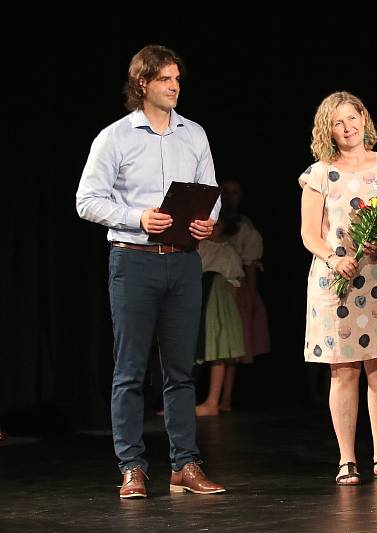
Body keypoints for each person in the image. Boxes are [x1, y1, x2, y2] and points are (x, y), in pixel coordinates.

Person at [75, 44, 225, 498]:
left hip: (181, 260)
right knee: (130, 370)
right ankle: (132, 467)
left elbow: (211, 195)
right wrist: (136, 217)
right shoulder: (115, 137)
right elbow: (87, 201)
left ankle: (185, 464)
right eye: (165, 79)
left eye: (178, 79)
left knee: (181, 370)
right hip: (134, 260)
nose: (175, 86)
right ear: (143, 84)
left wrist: (207, 219)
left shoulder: (194, 134)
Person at [299, 91, 377, 485]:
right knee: (343, 372)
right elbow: (309, 234)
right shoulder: (319, 173)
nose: (348, 128)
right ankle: (347, 459)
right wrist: (334, 259)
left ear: (364, 119)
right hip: (338, 282)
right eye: (338, 122)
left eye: (353, 118)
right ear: (327, 130)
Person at [217, 179, 272, 412]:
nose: (230, 197)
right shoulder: (209, 221)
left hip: (234, 289)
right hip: (209, 287)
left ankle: (225, 399)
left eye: (235, 193)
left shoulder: (244, 226)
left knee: (232, 346)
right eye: (225, 193)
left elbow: (250, 265)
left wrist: (250, 296)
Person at [194, 214, 247, 416]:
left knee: (218, 350)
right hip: (199, 298)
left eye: (217, 224)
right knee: (193, 351)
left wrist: (229, 313)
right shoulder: (199, 246)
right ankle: (179, 402)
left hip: (219, 302)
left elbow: (234, 283)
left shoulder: (228, 251)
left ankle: (212, 402)